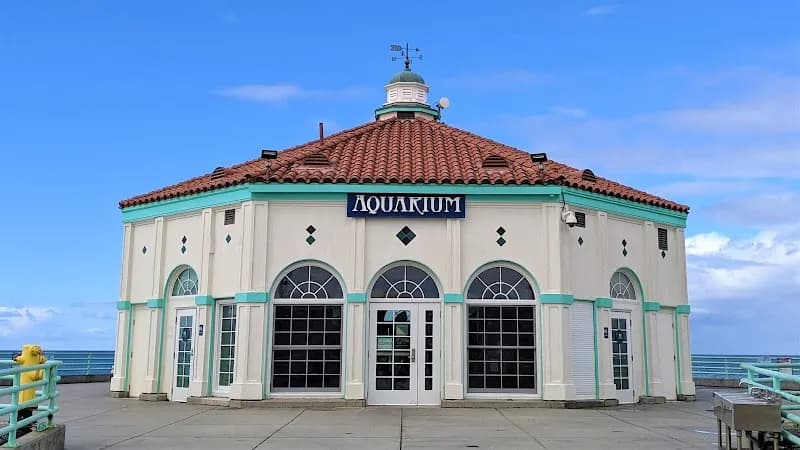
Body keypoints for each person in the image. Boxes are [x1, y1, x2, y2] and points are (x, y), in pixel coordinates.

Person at [13, 345, 46, 433]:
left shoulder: (23, 358)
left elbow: (17, 359)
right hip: (30, 393)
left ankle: (17, 427)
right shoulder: (38, 358)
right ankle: (27, 426)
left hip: (22, 393)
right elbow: (43, 359)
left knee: (19, 411)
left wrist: (16, 357)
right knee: (28, 410)